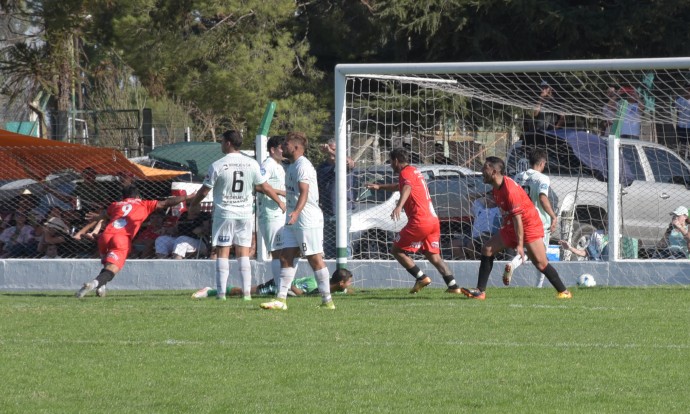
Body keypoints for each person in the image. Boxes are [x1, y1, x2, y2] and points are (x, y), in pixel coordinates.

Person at [188, 129, 285, 301]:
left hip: (225, 213)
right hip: (245, 214)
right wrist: (279, 201)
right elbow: (265, 187)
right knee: (243, 252)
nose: (220, 144)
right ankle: (247, 294)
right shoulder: (252, 164)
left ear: (228, 143)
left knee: (222, 252)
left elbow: (204, 190)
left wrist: (194, 204)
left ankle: (221, 293)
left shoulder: (218, 165)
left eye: (221, 141)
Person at [460, 157, 572, 300]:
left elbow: (518, 219)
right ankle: (480, 291)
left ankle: (564, 292)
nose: (482, 171)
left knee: (541, 263)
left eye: (485, 168)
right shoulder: (496, 188)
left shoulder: (510, 189)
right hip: (512, 226)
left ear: (494, 171)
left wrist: (519, 245)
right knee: (487, 249)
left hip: (529, 226)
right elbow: (507, 213)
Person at [365, 147, 463, 294]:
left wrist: (399, 206)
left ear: (396, 161)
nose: (391, 165)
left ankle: (421, 277)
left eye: (391, 162)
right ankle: (453, 286)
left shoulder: (406, 172)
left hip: (420, 221)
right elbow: (402, 186)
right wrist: (380, 187)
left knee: (397, 250)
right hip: (433, 220)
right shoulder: (413, 171)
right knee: (433, 255)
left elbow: (407, 188)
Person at [75, 185, 197, 298]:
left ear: (124, 197)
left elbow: (105, 214)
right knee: (113, 268)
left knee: (108, 264)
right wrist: (187, 197)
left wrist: (97, 217)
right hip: (121, 239)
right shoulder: (144, 204)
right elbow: (166, 203)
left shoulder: (116, 204)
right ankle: (93, 283)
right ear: (138, 196)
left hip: (105, 236)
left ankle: (101, 286)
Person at [260, 132, 335, 310]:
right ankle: (281, 300)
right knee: (286, 256)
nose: (283, 147)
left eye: (285, 144)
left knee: (314, 258)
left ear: (295, 147)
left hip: (306, 219)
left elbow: (304, 192)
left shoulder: (304, 166)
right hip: (293, 219)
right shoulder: (292, 165)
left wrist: (296, 212)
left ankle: (327, 300)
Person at [511, 148, 558, 288]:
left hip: (521, 219)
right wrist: (553, 216)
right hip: (539, 222)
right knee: (542, 256)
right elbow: (542, 198)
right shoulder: (542, 178)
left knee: (530, 253)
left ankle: (513, 264)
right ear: (542, 163)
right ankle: (538, 286)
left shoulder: (518, 177)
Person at [255, 135, 290, 283]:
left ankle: (283, 285)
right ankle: (278, 286)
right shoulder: (268, 164)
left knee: (283, 251)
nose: (284, 151)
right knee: (277, 252)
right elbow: (258, 185)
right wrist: (280, 197)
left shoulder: (278, 165)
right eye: (281, 148)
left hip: (279, 214)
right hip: (270, 214)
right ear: (272, 149)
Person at [193, 268, 353, 298]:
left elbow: (346, 292)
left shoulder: (335, 289)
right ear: (341, 283)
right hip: (278, 285)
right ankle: (211, 291)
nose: (350, 285)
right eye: (349, 283)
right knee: (244, 292)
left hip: (284, 286)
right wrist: (285, 283)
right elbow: (300, 293)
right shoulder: (314, 285)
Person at [316, 138, 354, 259]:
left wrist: (331, 152)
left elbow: (350, 163)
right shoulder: (322, 167)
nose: (330, 152)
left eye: (334, 150)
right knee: (328, 244)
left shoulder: (345, 164)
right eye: (329, 149)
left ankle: (346, 272)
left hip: (343, 211)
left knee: (344, 244)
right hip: (327, 210)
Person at [451, 195, 500, 260]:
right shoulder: (480, 208)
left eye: (492, 197)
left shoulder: (498, 210)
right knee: (453, 244)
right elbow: (470, 196)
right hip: (473, 238)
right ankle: (465, 262)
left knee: (471, 244)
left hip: (488, 236)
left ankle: (475, 262)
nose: (490, 199)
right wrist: (484, 194)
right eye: (489, 196)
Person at [675, 83, 690, 159]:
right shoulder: (679, 99)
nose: (687, 91)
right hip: (682, 126)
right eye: (686, 89)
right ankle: (682, 159)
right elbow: (677, 111)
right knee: (683, 145)